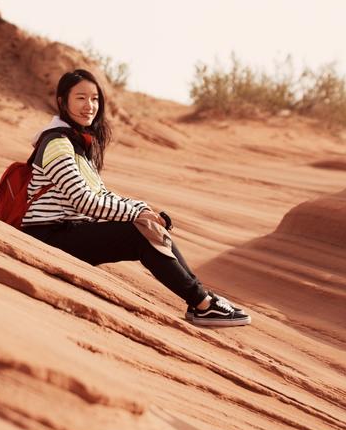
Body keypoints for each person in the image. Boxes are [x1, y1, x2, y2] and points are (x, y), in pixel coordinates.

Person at [21, 69, 251, 327]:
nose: (90, 106)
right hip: (46, 236)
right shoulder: (57, 144)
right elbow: (84, 202)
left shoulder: (76, 144)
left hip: (68, 230)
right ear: (63, 102)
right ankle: (202, 303)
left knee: (146, 225)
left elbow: (101, 194)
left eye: (95, 99)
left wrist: (142, 208)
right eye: (81, 98)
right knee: (137, 231)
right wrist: (137, 215)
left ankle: (202, 297)